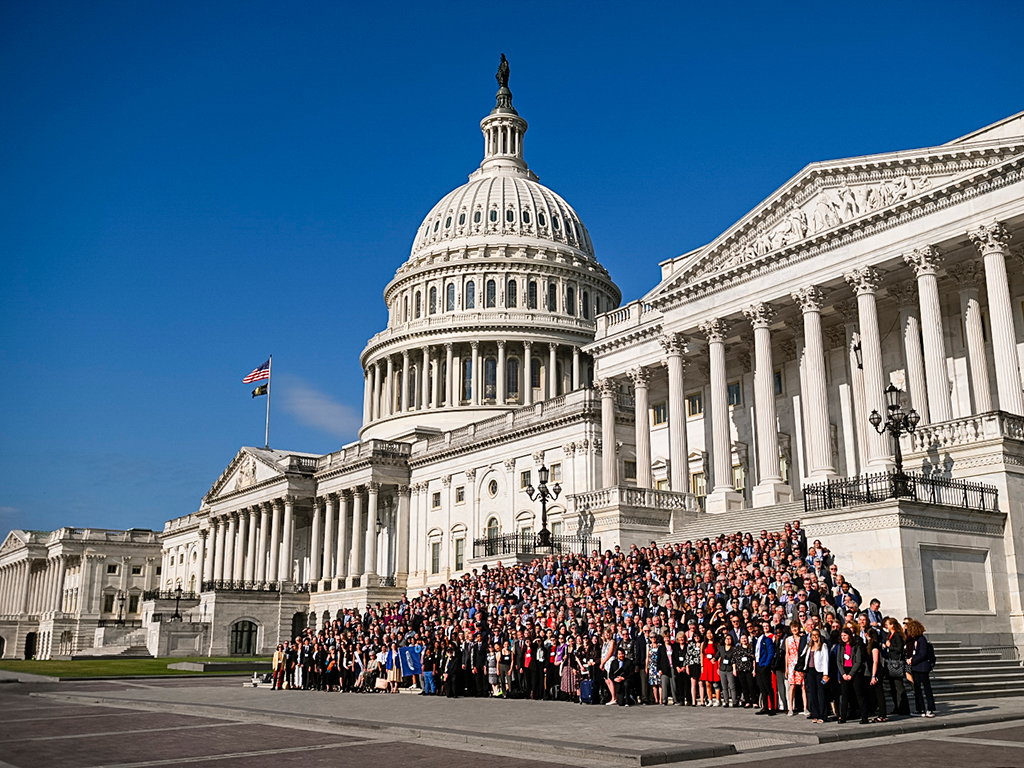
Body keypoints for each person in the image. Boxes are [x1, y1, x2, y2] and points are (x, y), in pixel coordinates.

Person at [836, 626, 868, 724]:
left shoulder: (856, 645)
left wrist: (851, 674)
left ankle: (864, 717)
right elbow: (839, 661)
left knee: (859, 694)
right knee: (844, 695)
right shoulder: (841, 646)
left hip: (854, 671)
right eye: (842, 636)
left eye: (845, 635)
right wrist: (843, 674)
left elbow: (858, 661)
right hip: (844, 671)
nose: (843, 637)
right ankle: (843, 716)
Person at [905, 618, 936, 717]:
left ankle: (930, 708)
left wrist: (912, 660)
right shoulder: (914, 640)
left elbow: (922, 654)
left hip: (922, 667)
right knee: (917, 689)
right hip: (915, 667)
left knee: (927, 688)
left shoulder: (922, 639)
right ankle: (920, 708)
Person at [882, 617, 910, 716]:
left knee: (899, 686)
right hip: (891, 661)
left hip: (896, 662)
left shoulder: (897, 635)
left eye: (888, 624)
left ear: (892, 625)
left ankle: (904, 708)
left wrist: (890, 646)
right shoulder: (890, 635)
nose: (886, 626)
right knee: (893, 687)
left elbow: (899, 648)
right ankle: (897, 706)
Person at [802, 628, 830, 723]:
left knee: (821, 693)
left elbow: (826, 661)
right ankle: (815, 713)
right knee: (812, 693)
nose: (814, 637)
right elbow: (804, 657)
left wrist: (825, 674)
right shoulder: (809, 646)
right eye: (812, 635)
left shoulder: (823, 646)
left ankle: (823, 715)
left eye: (816, 635)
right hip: (810, 671)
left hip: (820, 672)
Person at [752, 623, 776, 715]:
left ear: (761, 631)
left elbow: (771, 653)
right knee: (762, 688)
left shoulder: (767, 640)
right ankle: (765, 707)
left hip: (764, 665)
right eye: (753, 631)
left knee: (768, 687)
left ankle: (772, 708)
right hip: (758, 664)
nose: (754, 633)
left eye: (756, 631)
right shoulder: (755, 640)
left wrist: (766, 664)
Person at [864, 629, 886, 721]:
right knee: (876, 693)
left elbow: (875, 661)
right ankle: (879, 713)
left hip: (877, 671)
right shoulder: (869, 645)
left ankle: (882, 714)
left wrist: (873, 676)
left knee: (879, 692)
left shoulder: (874, 645)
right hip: (873, 670)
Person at [784, 620, 805, 716]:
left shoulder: (802, 638)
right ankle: (790, 708)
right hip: (792, 664)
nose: (794, 629)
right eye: (793, 627)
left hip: (800, 663)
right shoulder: (788, 639)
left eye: (796, 627)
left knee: (803, 686)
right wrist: (787, 668)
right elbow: (787, 654)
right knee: (792, 686)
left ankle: (805, 707)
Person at [700, 629, 720, 706]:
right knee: (707, 683)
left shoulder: (716, 644)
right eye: (708, 633)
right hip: (706, 664)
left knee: (716, 683)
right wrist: (702, 666)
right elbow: (702, 655)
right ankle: (710, 699)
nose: (709, 635)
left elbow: (719, 655)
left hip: (714, 664)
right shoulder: (703, 644)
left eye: (711, 633)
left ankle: (718, 700)